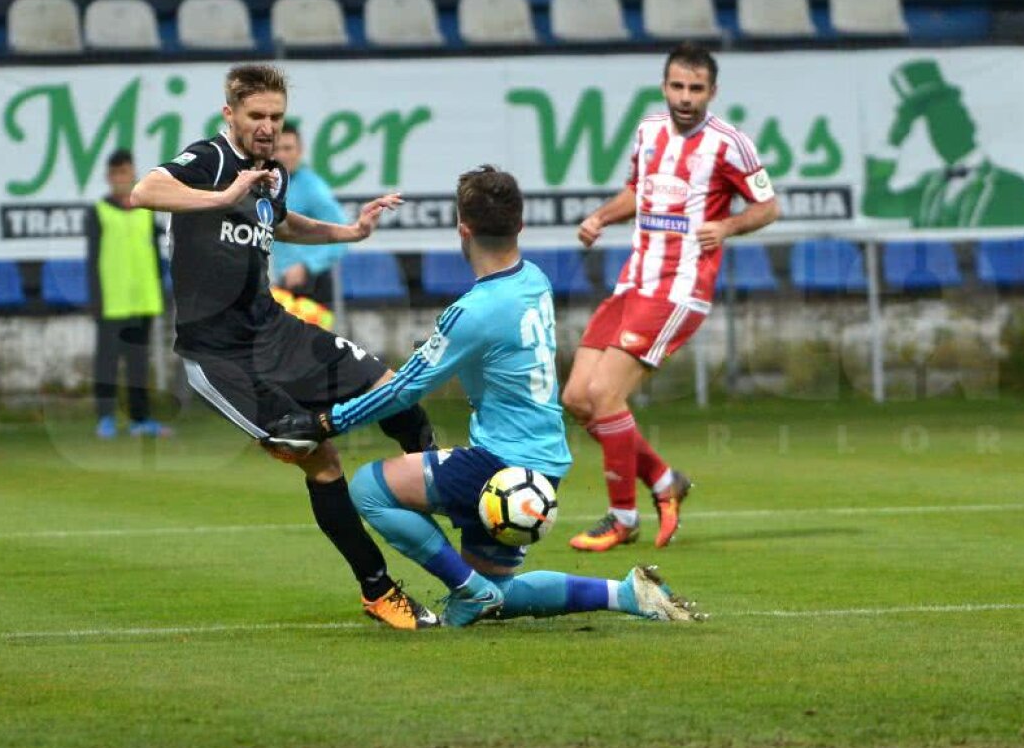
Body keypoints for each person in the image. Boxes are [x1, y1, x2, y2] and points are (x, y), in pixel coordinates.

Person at [262, 166, 702, 627]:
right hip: (544, 461)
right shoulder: (534, 280)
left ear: (462, 230)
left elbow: (405, 388)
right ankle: (626, 594)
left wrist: (327, 422)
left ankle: (469, 590)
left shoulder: (474, 312)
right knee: (502, 593)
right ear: (520, 226)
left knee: (369, 489)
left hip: (500, 463)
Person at [130, 63, 438, 630]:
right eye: (256, 116)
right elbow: (143, 191)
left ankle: (457, 519)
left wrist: (349, 232)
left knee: (396, 394)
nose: (268, 127)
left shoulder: (271, 172)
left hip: (276, 331)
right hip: (220, 355)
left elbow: (281, 222)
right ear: (230, 114)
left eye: (276, 116)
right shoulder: (210, 160)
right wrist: (224, 195)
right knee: (317, 455)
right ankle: (378, 589)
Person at [562, 42, 781, 552]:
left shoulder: (730, 144)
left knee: (605, 394)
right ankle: (664, 481)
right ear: (664, 86)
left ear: (712, 92)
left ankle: (623, 518)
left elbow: (768, 207)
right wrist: (600, 217)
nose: (685, 97)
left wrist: (727, 226)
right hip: (633, 282)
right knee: (576, 398)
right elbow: (638, 192)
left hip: (679, 288)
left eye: (696, 89)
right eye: (678, 86)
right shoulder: (648, 131)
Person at [861, 59, 1024, 229]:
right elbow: (874, 207)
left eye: (949, 120)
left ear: (969, 124)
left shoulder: (1011, 186)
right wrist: (894, 140)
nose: (941, 134)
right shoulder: (928, 186)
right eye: (934, 127)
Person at [86, 148, 170, 439]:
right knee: (107, 362)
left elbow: (157, 256)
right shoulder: (99, 212)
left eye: (126, 172)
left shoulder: (146, 210)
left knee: (138, 363)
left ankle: (140, 418)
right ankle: (105, 418)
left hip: (143, 299)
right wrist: (95, 300)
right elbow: (93, 260)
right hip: (112, 301)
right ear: (109, 177)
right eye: (116, 174)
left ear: (133, 174)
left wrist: (159, 290)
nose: (122, 178)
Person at [270, 123, 349, 313]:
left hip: (310, 284)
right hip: (282, 283)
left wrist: (307, 266)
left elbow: (342, 235)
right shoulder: (270, 184)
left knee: (310, 333)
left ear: (300, 151)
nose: (281, 155)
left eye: (288, 148)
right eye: (276, 149)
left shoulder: (312, 188)